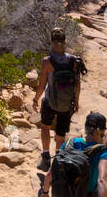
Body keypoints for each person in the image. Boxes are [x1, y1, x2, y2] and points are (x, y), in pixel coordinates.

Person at [33, 26, 86, 168]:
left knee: (45, 126)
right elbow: (78, 83)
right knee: (61, 132)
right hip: (66, 103)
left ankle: (45, 158)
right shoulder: (74, 61)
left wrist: (35, 99)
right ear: (65, 42)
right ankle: (58, 159)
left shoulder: (47, 62)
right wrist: (76, 100)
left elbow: (42, 85)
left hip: (50, 101)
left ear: (51, 42)